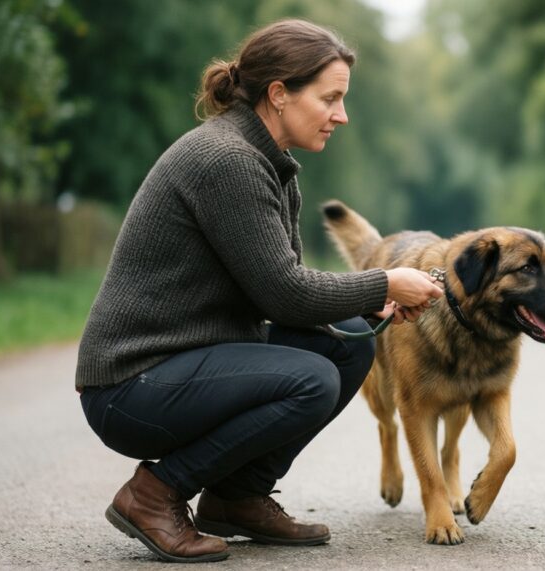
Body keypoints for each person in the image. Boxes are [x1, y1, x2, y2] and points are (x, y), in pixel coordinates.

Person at [75, 19, 443, 563]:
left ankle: (236, 497)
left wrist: (370, 301)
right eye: (331, 99)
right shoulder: (228, 161)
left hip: (184, 362)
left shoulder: (271, 165)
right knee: (311, 378)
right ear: (278, 94)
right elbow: (286, 296)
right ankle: (154, 495)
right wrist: (384, 280)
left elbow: (280, 286)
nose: (341, 115)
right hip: (132, 385)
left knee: (349, 344)